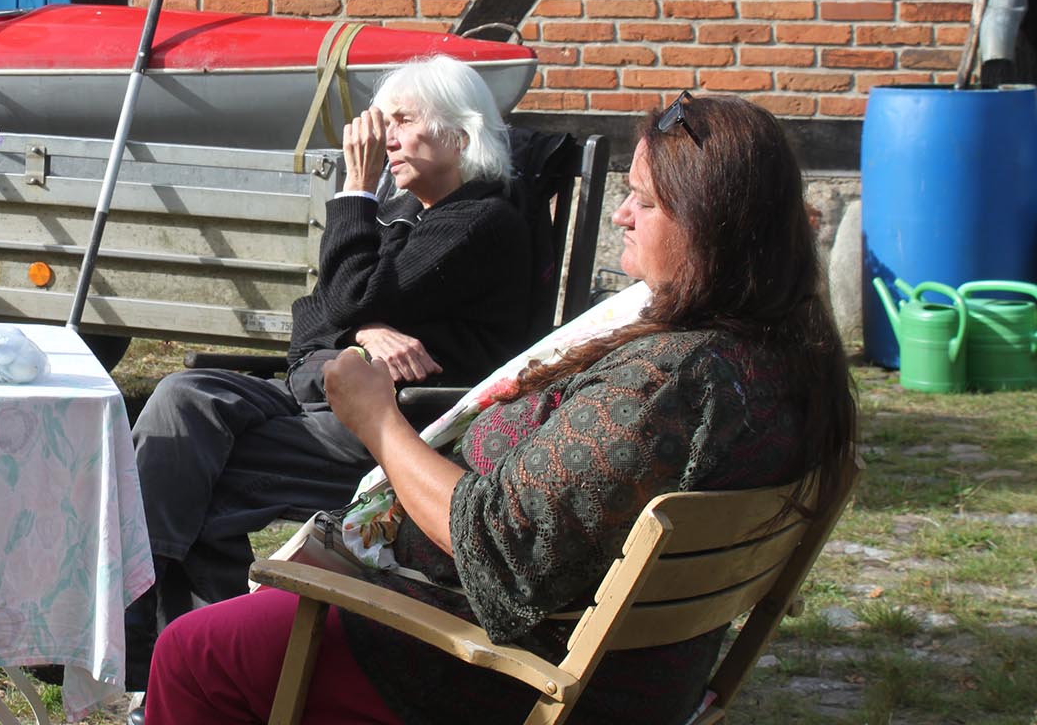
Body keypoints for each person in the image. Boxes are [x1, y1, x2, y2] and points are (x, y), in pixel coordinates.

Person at [141, 93, 859, 725]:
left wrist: (379, 422)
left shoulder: (669, 382)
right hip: (626, 666)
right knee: (201, 418)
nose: (622, 214)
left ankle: (142, 608)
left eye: (644, 201)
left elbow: (501, 550)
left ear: (711, 223)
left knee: (194, 652)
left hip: (493, 671)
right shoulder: (782, 354)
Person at [124, 55, 536, 702]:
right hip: (332, 394)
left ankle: (157, 647)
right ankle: (149, 620)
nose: (386, 137)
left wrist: (356, 190)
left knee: (201, 478)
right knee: (185, 396)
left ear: (461, 136)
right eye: (384, 121)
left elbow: (341, 301)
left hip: (402, 427)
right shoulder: (414, 216)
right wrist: (364, 330)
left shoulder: (479, 222)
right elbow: (314, 315)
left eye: (403, 121)